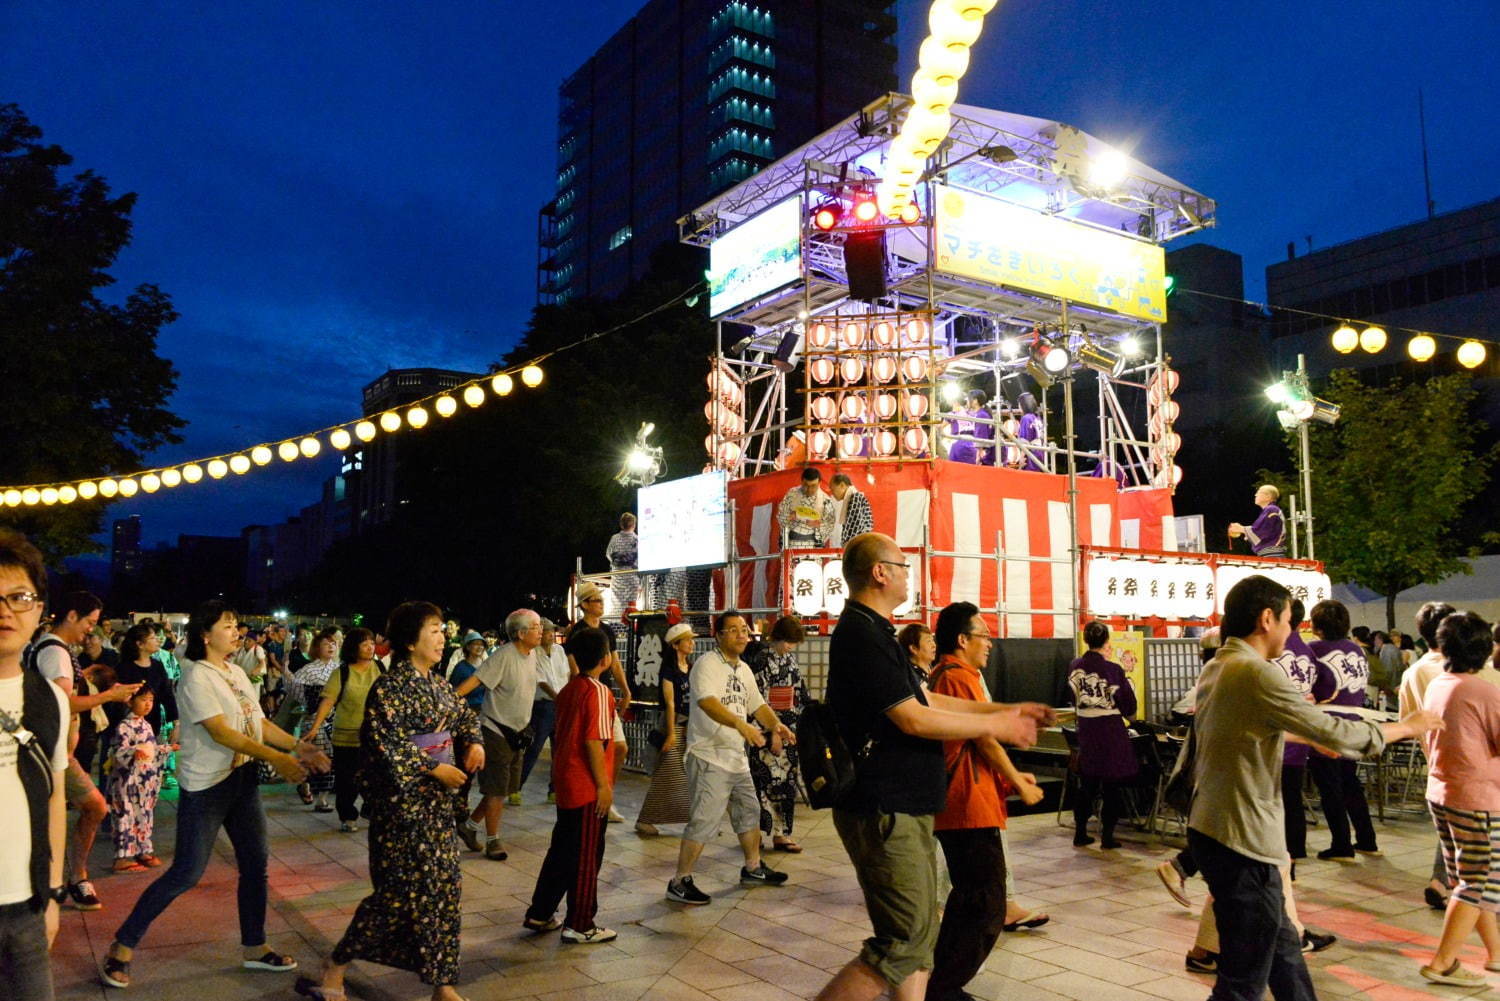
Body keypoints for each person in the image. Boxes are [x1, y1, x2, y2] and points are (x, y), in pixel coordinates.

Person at [815, 532, 1048, 1001]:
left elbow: (925, 698)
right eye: (902, 565)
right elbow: (913, 718)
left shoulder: (877, 632)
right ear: (880, 572)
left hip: (908, 805)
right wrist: (999, 725)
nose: (908, 574)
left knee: (919, 941)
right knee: (901, 943)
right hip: (885, 806)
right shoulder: (860, 633)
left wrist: (1002, 711)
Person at [1186, 574, 1439, 1001]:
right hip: (1241, 837)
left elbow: (1241, 730)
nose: (1292, 631)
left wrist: (1306, 737)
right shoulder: (1253, 672)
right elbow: (1335, 729)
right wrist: (1405, 727)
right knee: (1243, 979)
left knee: (1284, 953)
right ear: (1267, 618)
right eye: (1289, 620)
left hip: (1219, 826)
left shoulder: (1220, 664)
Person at [102, 599, 329, 989]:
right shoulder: (195, 676)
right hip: (206, 787)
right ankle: (122, 946)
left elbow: (257, 722)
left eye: (236, 625)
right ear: (204, 635)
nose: (236, 631)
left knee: (255, 866)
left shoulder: (236, 673)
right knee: (187, 872)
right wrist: (279, 758)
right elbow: (222, 733)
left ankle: (255, 948)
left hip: (240, 781)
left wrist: (299, 746)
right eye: (227, 625)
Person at [295, 601, 484, 1001]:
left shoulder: (437, 683)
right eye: (433, 630)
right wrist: (433, 768)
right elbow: (384, 743)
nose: (442, 637)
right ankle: (337, 965)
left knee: (445, 888)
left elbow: (464, 717)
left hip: (436, 806)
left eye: (441, 630)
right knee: (397, 893)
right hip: (400, 807)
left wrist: (476, 743)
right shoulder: (389, 687)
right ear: (409, 639)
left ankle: (442, 983)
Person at [925, 601, 1048, 1001]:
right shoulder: (957, 675)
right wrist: (1017, 781)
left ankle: (939, 982)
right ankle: (943, 986)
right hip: (965, 803)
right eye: (983, 635)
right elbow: (983, 737)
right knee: (986, 901)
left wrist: (1011, 779)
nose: (990, 643)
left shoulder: (948, 673)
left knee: (971, 897)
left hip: (967, 799)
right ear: (962, 640)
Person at [666, 609, 796, 906]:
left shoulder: (744, 669)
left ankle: (752, 868)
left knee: (748, 811)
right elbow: (707, 702)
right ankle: (679, 881)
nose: (742, 635)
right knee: (704, 820)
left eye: (745, 630)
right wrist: (740, 724)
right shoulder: (707, 665)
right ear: (719, 635)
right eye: (734, 629)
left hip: (735, 756)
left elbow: (757, 704)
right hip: (709, 755)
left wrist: (775, 725)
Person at [25, 590, 139, 912]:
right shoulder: (55, 652)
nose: (91, 629)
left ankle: (65, 879)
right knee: (92, 808)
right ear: (72, 615)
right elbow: (63, 704)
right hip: (52, 753)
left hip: (58, 752)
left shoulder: (53, 649)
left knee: (67, 814)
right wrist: (109, 697)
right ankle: (71, 879)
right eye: (90, 622)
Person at [0, 530, 72, 1001]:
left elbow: (55, 797)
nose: (5, 610)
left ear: (39, 608)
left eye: (18, 597)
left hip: (25, 907)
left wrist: (53, 894)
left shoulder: (50, 701)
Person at [1416, 610, 1500, 986]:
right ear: (1484, 650)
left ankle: (1497, 954)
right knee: (1476, 882)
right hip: (1476, 796)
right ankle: (1443, 962)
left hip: (1442, 792)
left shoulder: (1439, 684)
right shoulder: (1481, 690)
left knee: (1467, 879)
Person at [522, 625, 619, 944]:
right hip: (586, 787)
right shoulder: (598, 692)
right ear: (606, 658)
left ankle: (541, 912)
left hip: (565, 783)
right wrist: (603, 786)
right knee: (587, 856)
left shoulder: (569, 689)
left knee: (562, 851)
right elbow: (595, 741)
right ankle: (581, 922)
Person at [453, 608, 540, 861]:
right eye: (536, 627)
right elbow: (477, 680)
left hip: (518, 732)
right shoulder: (504, 655)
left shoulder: (532, 655)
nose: (541, 631)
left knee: (502, 789)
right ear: (521, 633)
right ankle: (493, 840)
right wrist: (450, 700)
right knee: (496, 789)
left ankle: (468, 827)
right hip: (495, 730)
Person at [1398, 601, 1463, 909]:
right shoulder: (1465, 669)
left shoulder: (1413, 673)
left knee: (1449, 828)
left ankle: (1440, 882)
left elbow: (1406, 723)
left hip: (1436, 763)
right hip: (1478, 765)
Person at [1307, 599, 1380, 860]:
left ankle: (1341, 844)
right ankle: (1367, 839)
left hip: (1326, 726)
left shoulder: (1313, 650)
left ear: (1317, 625)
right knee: (1350, 784)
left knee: (1330, 788)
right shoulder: (1356, 650)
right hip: (1355, 722)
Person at [1067, 620, 1138, 849]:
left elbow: (1072, 695)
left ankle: (1080, 832)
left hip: (1086, 730)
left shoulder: (1074, 666)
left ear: (1086, 639)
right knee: (1111, 786)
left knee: (1087, 783)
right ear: (1107, 641)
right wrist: (1133, 718)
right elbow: (1128, 705)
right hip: (1110, 732)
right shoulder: (1113, 670)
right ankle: (1107, 837)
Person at [303, 629, 381, 833]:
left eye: (372, 643)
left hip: (374, 735)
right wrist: (315, 726)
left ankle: (369, 808)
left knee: (375, 777)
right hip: (346, 737)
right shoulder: (342, 672)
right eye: (365, 644)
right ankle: (348, 816)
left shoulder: (379, 668)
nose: (370, 647)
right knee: (347, 781)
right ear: (354, 647)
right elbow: (328, 700)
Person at [746, 615, 809, 853]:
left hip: (789, 727)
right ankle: (759, 833)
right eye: (788, 641)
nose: (790, 647)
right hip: (767, 727)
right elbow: (758, 699)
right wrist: (772, 730)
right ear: (778, 637)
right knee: (764, 782)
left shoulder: (789, 659)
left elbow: (800, 692)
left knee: (786, 783)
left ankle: (783, 834)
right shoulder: (761, 659)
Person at [572, 582, 631, 822]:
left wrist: (625, 690)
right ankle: (596, 794)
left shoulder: (607, 630)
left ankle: (608, 794)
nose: (601, 603)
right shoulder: (576, 631)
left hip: (605, 694)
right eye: (596, 600)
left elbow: (615, 663)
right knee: (594, 746)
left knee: (619, 747)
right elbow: (574, 667)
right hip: (588, 694)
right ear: (585, 604)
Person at [635, 622, 695, 837]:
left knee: (687, 773)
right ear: (676, 645)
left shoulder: (691, 666)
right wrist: (670, 733)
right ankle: (646, 818)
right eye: (688, 640)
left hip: (688, 726)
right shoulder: (668, 670)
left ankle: (694, 818)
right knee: (669, 773)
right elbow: (670, 704)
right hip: (673, 724)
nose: (692, 643)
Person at [106, 687, 174, 872]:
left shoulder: (146, 725)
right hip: (127, 781)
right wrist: (137, 751)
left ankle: (143, 849)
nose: (148, 704)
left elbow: (152, 749)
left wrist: (167, 749)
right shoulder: (123, 727)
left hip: (144, 781)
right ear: (130, 701)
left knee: (144, 814)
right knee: (125, 817)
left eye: (151, 700)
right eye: (143, 700)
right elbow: (118, 754)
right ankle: (122, 857)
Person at [1271, 600, 1319, 863]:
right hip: (1300, 731)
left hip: (1278, 734)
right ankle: (1296, 848)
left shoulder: (1277, 648)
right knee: (1292, 796)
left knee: (1276, 800)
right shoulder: (1306, 650)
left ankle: (1284, 852)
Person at [520, 619, 570, 804]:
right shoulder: (533, 654)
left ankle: (554, 790)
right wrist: (559, 698)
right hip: (543, 706)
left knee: (560, 751)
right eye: (547, 631)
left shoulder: (560, 651)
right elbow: (541, 681)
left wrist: (565, 698)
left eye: (552, 631)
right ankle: (516, 787)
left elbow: (565, 675)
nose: (550, 634)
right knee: (534, 748)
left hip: (561, 705)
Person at [294, 629, 341, 814]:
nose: (330, 646)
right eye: (325, 644)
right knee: (318, 754)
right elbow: (297, 694)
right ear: (316, 648)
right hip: (314, 717)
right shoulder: (307, 671)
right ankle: (304, 782)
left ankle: (322, 798)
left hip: (336, 718)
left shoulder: (340, 668)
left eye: (333, 643)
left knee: (330, 756)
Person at [776, 466, 835, 548]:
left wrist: (819, 525)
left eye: (813, 486)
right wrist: (789, 516)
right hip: (791, 543)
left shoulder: (826, 500)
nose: (809, 489)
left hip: (813, 545)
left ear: (819, 483)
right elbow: (780, 515)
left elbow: (830, 525)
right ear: (801, 481)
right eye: (806, 485)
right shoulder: (792, 494)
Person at [1228, 485, 1286, 557]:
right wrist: (1246, 532)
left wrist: (1242, 529)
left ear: (1268, 497)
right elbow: (1264, 531)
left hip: (1272, 554)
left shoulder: (1271, 509)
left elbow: (1262, 531)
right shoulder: (1271, 509)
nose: (1255, 495)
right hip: (1269, 553)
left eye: (1258, 492)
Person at [946, 389, 993, 465]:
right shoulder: (979, 414)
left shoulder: (980, 415)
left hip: (970, 447)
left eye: (968, 400)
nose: (967, 402)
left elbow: (980, 437)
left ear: (975, 401)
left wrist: (979, 453)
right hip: (972, 446)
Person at [830, 473, 875, 548]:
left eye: (833, 489)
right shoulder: (854, 497)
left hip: (858, 545)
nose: (832, 493)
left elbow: (854, 526)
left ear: (842, 485)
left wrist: (847, 547)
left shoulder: (855, 497)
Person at [606, 512, 640, 609]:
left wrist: (617, 563)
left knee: (616, 605)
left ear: (621, 525)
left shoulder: (614, 538)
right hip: (632, 577)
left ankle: (616, 623)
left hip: (617, 577)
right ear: (634, 525)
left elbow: (608, 554)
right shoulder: (637, 539)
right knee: (631, 607)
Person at [1010, 393, 1045, 472]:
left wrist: (1021, 459)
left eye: (1019, 404)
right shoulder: (1037, 417)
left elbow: (1024, 442)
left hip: (1030, 455)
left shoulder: (1026, 418)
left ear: (1023, 405)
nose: (1019, 406)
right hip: (1040, 452)